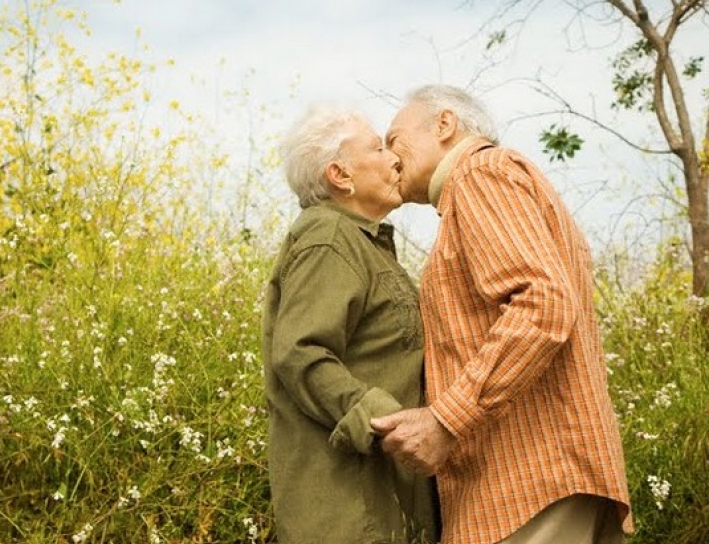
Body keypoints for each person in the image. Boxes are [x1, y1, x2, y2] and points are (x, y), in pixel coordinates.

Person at [371, 84, 633, 544]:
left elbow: (542, 304)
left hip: (531, 480)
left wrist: (444, 420)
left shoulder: (480, 173)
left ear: (445, 125)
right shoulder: (488, 187)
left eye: (394, 139)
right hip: (537, 482)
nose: (390, 158)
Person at [261, 105, 440, 544]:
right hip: (345, 513)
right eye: (378, 148)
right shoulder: (330, 239)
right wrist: (385, 421)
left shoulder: (360, 243)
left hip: (379, 503)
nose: (394, 158)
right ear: (340, 175)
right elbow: (300, 353)